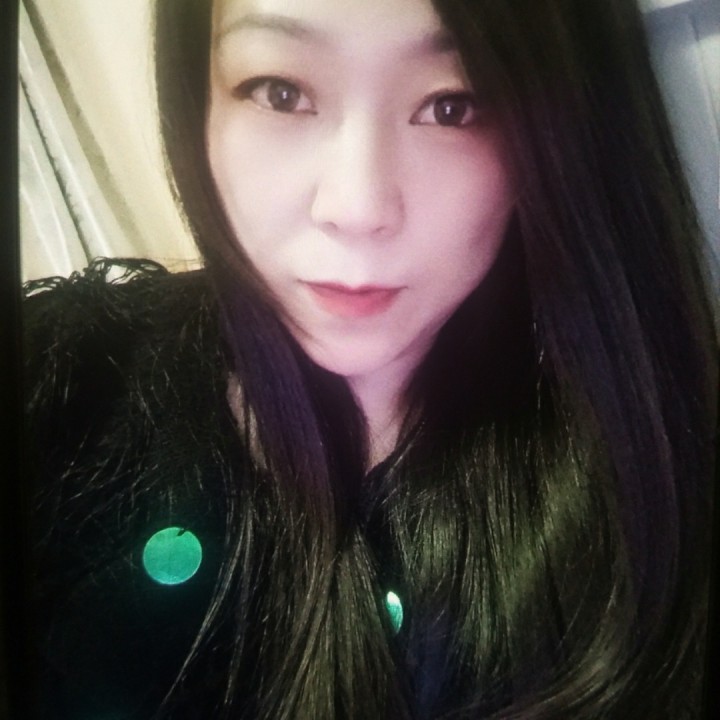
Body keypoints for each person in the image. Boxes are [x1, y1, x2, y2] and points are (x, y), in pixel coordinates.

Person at [23, 0, 717, 718]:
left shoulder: (639, 509)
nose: (357, 208)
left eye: (453, 106)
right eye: (280, 92)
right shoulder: (66, 378)